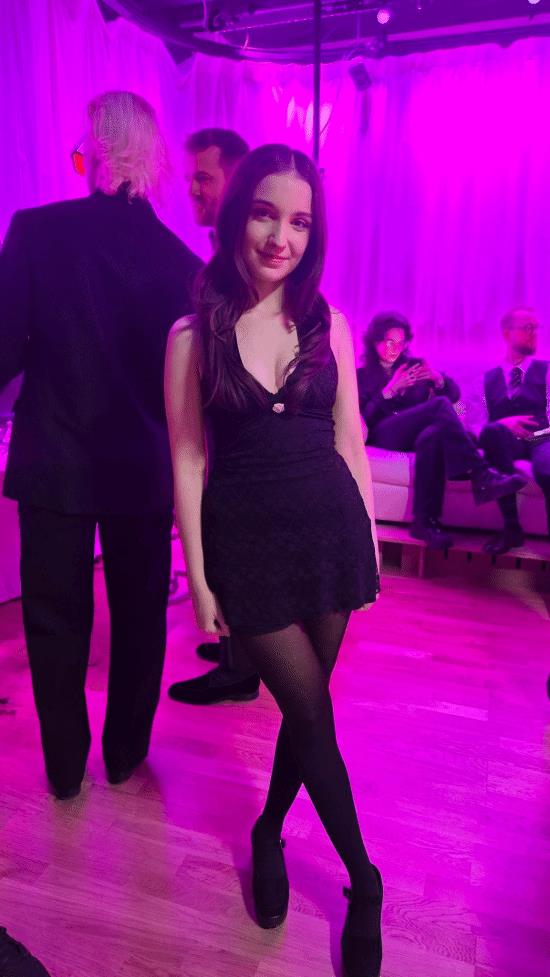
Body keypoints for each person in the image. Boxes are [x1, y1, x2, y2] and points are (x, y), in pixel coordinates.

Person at [165, 144, 383, 977]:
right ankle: (365, 879)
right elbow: (188, 459)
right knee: (311, 711)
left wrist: (368, 541)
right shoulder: (193, 335)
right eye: (265, 213)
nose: (280, 237)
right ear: (237, 216)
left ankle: (267, 830)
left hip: (330, 537)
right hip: (245, 547)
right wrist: (199, 578)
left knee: (307, 707)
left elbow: (349, 437)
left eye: (298, 221)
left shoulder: (331, 324)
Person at [0, 91, 202, 799]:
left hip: (53, 456)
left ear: (93, 149)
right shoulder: (182, 264)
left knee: (54, 617)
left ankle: (64, 768)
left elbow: (2, 353)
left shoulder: (36, 232)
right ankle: (124, 754)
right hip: (142, 465)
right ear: (154, 159)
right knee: (141, 615)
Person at [169, 127, 263, 705]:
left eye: (202, 177)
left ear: (234, 179)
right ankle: (239, 650)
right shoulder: (224, 247)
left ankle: (240, 668)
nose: (192, 190)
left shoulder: (241, 252)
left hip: (240, 422)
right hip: (225, 417)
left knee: (234, 541)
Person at [357, 312, 527, 549]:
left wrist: (439, 380)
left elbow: (453, 395)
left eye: (400, 342)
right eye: (389, 342)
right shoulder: (361, 375)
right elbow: (364, 418)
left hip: (415, 434)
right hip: (385, 433)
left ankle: (425, 522)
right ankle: (481, 473)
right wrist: (390, 390)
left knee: (433, 435)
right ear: (375, 341)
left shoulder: (414, 367)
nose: (395, 348)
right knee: (438, 405)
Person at [479, 308, 549, 554]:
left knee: (547, 466)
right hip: (505, 441)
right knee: (492, 433)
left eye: (536, 328)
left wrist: (538, 432)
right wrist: (503, 424)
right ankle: (511, 529)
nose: (534, 333)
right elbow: (470, 416)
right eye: (527, 328)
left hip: (542, 437)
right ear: (507, 333)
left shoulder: (546, 370)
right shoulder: (487, 376)